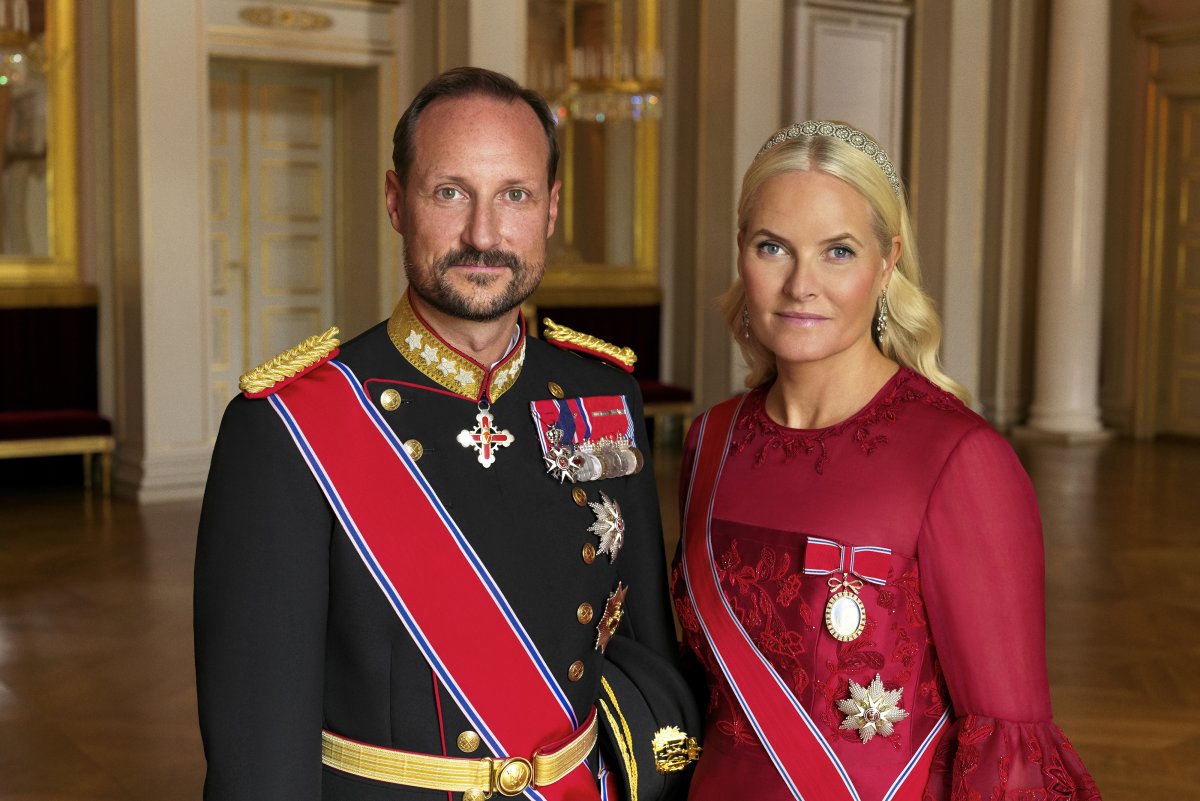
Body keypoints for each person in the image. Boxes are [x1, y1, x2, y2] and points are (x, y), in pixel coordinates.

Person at [195, 66, 697, 801]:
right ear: (398, 202)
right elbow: (258, 755)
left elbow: (647, 659)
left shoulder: (604, 392)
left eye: (515, 195)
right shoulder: (285, 427)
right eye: (450, 192)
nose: (483, 234)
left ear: (551, 209)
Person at [670, 120, 1102, 800]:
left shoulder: (960, 459)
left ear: (887, 261)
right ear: (742, 254)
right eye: (772, 246)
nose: (800, 284)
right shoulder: (711, 442)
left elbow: (1009, 746)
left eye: (838, 251)